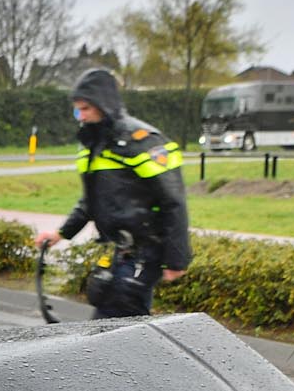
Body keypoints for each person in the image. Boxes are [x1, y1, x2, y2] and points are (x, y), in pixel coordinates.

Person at [36, 67, 190, 318]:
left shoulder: (142, 141)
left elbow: (173, 201)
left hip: (146, 251)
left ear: (104, 104)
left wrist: (176, 259)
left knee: (112, 320)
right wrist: (61, 234)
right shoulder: (94, 144)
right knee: (116, 316)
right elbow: (91, 199)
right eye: (77, 110)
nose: (80, 116)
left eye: (86, 109)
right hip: (122, 251)